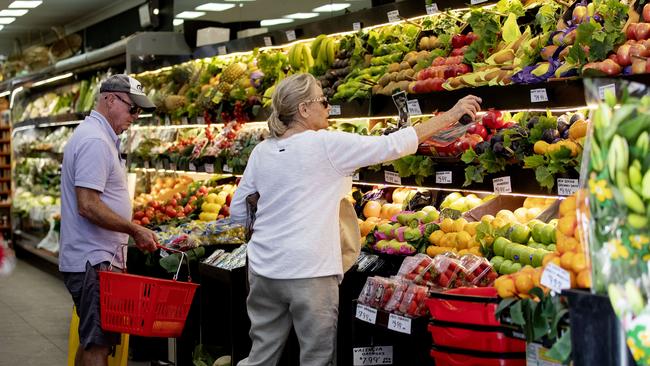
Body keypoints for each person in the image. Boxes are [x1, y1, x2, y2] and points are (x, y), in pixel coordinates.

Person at [230, 72, 482, 366]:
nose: (328, 107)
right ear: (303, 109)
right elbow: (392, 145)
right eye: (323, 101)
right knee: (316, 358)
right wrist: (451, 114)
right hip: (310, 272)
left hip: (263, 270)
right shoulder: (325, 145)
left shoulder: (262, 151)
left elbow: (239, 211)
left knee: (261, 355)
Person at [59, 74, 159, 366]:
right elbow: (88, 205)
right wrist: (133, 229)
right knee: (98, 346)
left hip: (94, 259)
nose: (136, 117)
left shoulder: (99, 136)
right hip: (93, 261)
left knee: (93, 340)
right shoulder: (94, 141)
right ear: (110, 99)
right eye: (133, 109)